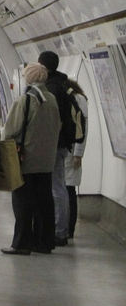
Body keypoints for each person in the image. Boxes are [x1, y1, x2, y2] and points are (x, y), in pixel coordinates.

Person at [1, 63, 61, 255]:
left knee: (22, 201)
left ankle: (21, 243)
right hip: (47, 159)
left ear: (28, 78)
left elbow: (10, 130)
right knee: (44, 201)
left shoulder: (25, 100)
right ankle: (44, 242)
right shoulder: (51, 99)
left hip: (26, 159)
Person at [38, 51, 72, 247]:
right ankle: (61, 229)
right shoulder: (61, 83)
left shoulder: (51, 88)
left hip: (55, 144)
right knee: (59, 186)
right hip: (61, 142)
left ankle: (60, 231)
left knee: (57, 188)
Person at [64, 79, 88, 239]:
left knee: (69, 189)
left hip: (73, 151)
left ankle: (69, 227)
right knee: (65, 188)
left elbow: (83, 127)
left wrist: (78, 153)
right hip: (66, 150)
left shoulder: (78, 99)